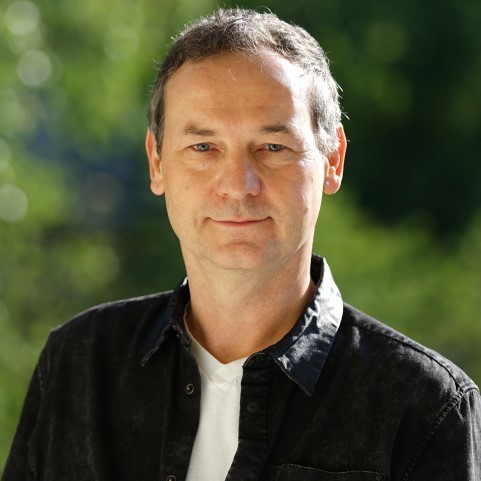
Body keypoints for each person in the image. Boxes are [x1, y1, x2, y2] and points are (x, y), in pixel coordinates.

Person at [2, 7, 480, 481]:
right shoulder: (77, 365)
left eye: (272, 147)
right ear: (157, 162)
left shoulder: (426, 407)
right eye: (203, 147)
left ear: (333, 161)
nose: (238, 185)